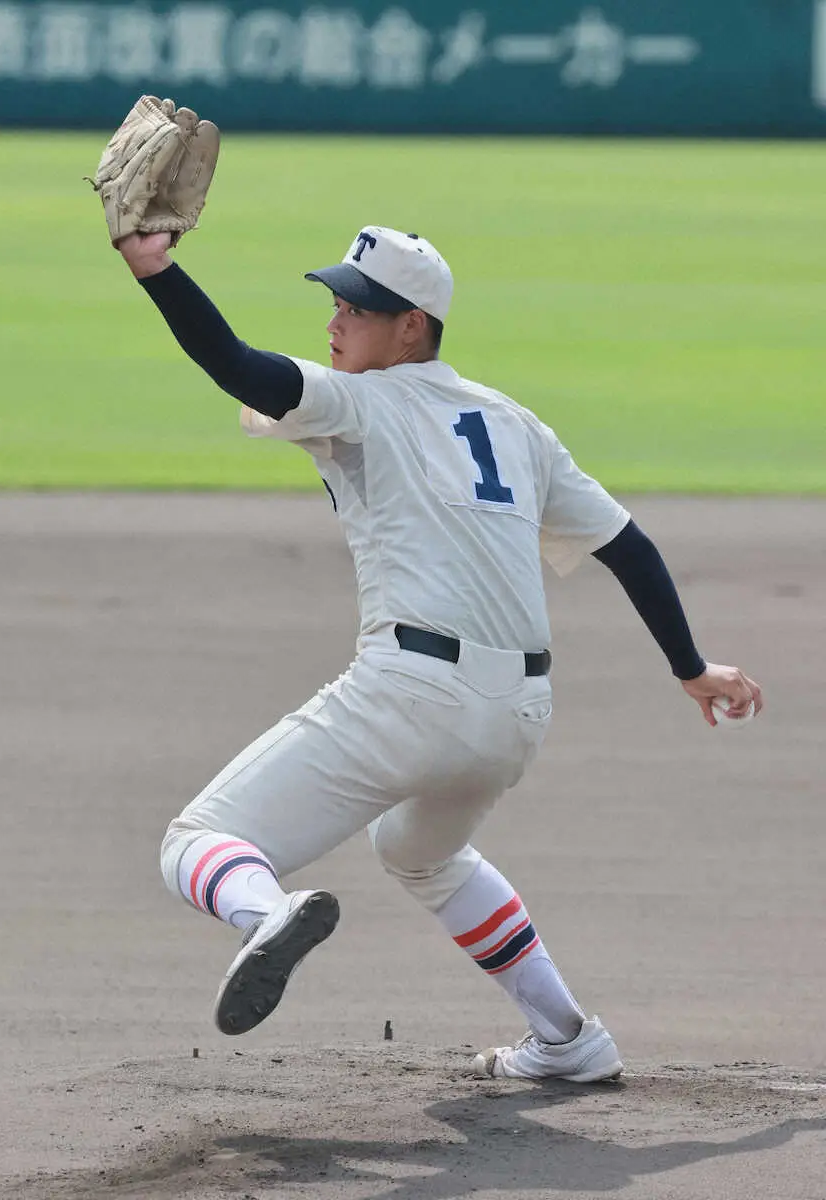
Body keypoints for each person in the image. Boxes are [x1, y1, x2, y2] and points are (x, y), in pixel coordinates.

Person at [116, 225, 762, 1083]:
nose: (337, 321)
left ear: (412, 327)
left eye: (359, 307)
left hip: (410, 697)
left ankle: (261, 915)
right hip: (517, 719)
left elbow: (236, 363)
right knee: (420, 852)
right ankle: (569, 1040)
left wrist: (155, 270)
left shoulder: (363, 399)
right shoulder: (515, 423)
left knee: (199, 838)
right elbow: (629, 547)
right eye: (336, 302)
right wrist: (691, 667)